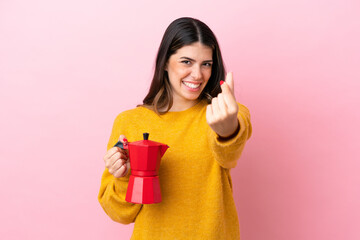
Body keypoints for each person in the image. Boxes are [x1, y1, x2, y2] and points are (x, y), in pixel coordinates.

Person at [98, 17, 252, 240]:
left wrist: (228, 129)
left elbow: (229, 155)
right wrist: (124, 176)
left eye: (206, 64)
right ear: (165, 63)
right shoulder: (130, 122)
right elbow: (120, 215)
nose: (198, 75)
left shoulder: (226, 113)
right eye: (186, 62)